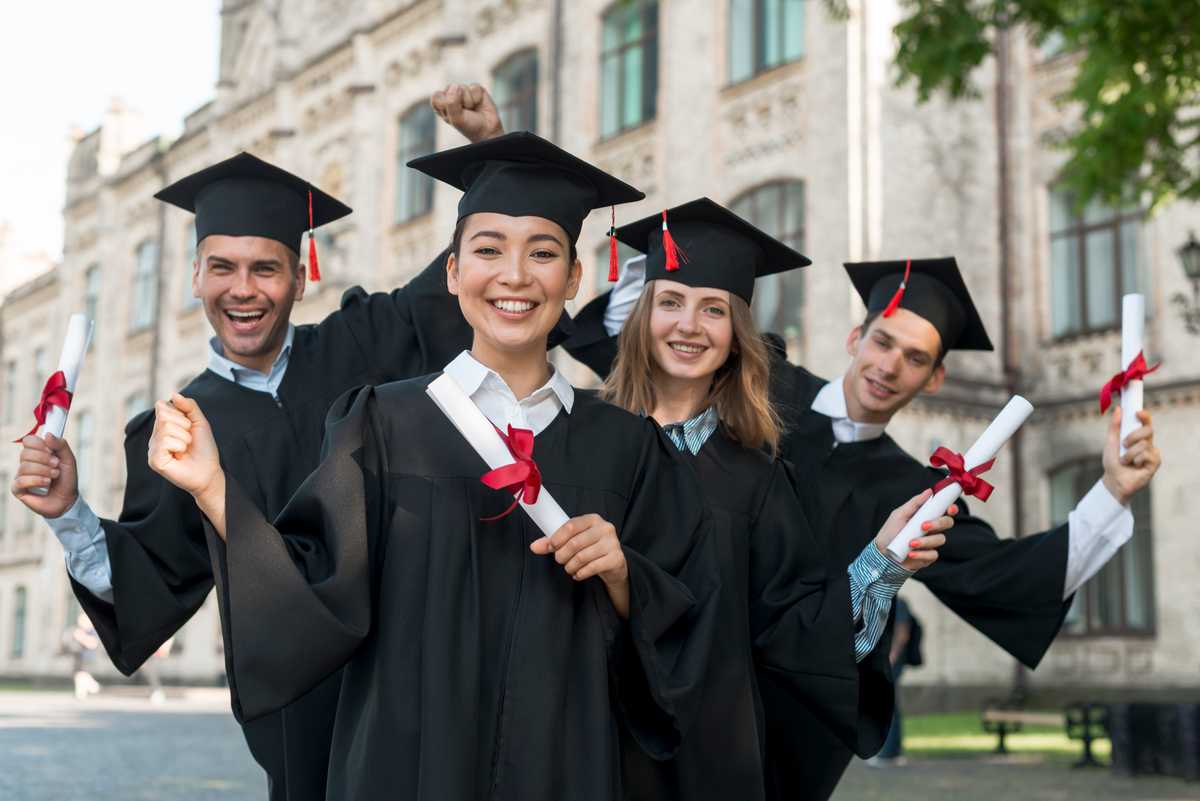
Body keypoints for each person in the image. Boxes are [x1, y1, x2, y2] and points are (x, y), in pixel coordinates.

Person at [148, 132, 723, 801]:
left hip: (565, 773)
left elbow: (691, 635)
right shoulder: (381, 426)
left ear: (573, 278)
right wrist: (214, 489)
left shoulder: (626, 447)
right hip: (409, 773)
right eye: (487, 250)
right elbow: (310, 594)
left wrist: (626, 576)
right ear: (452, 272)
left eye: (542, 252)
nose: (513, 274)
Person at [567, 255, 1162, 800]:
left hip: (768, 718)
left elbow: (1013, 578)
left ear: (933, 379)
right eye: (883, 341)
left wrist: (1112, 491)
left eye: (916, 358)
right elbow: (641, 353)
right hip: (643, 665)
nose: (889, 366)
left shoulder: (910, 493)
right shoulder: (761, 385)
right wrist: (669, 258)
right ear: (856, 338)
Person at [10, 152, 477, 801]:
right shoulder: (174, 430)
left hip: (418, 676)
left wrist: (487, 164)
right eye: (222, 267)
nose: (243, 288)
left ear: (300, 275)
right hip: (300, 709)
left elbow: (472, 282)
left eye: (266, 267)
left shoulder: (362, 343)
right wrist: (68, 512)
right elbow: (145, 585)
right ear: (196, 276)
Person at [595, 198, 957, 801]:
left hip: (704, 760)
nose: (689, 325)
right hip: (583, 745)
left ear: (737, 337)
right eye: (671, 302)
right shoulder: (580, 440)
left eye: (714, 310)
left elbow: (794, 634)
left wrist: (881, 560)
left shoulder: (758, 481)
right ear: (642, 315)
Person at [869, 597, 920, 767]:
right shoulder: (883, 599)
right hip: (885, 660)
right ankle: (891, 752)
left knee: (886, 705)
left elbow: (902, 632)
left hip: (890, 661)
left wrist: (891, 656)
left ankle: (888, 753)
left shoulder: (897, 602)